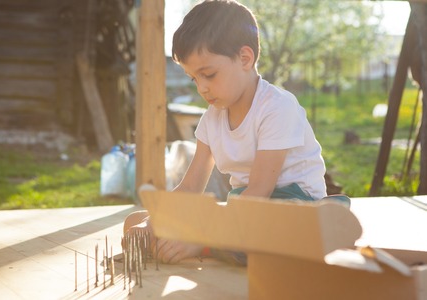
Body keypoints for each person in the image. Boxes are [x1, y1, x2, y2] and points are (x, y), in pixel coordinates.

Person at [124, 0, 331, 266]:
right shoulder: (212, 119)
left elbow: (259, 190)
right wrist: (152, 224)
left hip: (294, 210)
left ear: (245, 58)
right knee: (137, 221)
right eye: (194, 78)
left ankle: (206, 243)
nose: (202, 88)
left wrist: (205, 232)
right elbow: (189, 187)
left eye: (208, 74)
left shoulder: (277, 107)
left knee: (268, 232)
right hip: (245, 210)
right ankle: (215, 242)